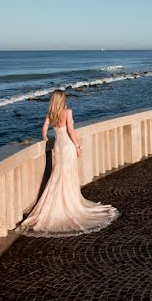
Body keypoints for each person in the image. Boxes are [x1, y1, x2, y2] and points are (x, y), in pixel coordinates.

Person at [17, 89, 119, 237]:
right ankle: (68, 204)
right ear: (62, 99)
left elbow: (44, 129)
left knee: (58, 174)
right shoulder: (67, 112)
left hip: (58, 147)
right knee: (68, 175)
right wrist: (78, 146)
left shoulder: (51, 113)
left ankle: (53, 206)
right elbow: (71, 130)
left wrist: (46, 138)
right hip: (67, 147)